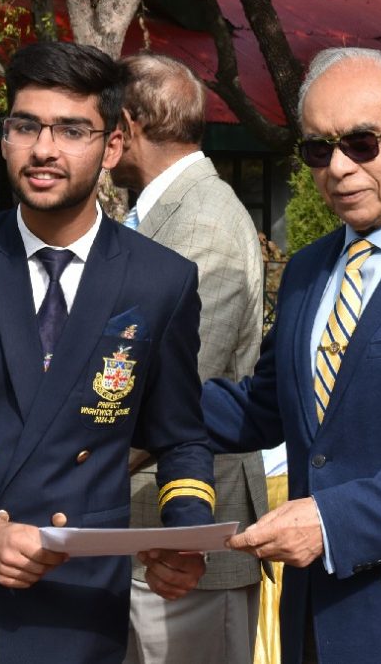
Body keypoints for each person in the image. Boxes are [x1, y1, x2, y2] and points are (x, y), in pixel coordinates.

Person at [200, 46, 381, 664]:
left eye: (361, 143)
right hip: (313, 623)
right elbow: (265, 408)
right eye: (317, 149)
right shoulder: (308, 270)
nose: (337, 167)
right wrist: (122, 399)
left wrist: (334, 522)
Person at [0, 41, 216, 664]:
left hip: (81, 603)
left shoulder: (161, 280)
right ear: (4, 138)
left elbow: (180, 437)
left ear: (112, 146)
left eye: (71, 130)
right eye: (26, 127)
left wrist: (186, 534)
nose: (44, 149)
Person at [110, 53, 269, 664]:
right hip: (140, 539)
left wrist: (58, 475)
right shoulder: (163, 212)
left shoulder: (204, 221)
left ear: (128, 124)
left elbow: (175, 394)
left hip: (188, 545)